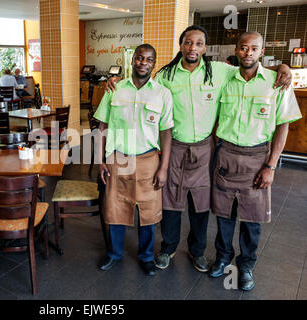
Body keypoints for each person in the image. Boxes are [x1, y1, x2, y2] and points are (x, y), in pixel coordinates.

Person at [106, 25, 292, 273]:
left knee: (201, 203)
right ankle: (168, 248)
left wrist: (284, 68)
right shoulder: (165, 76)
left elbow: (251, 68)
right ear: (181, 45)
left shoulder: (221, 72)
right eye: (188, 42)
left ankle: (197, 252)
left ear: (205, 47)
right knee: (171, 200)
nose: (192, 47)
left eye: (198, 43)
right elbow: (142, 84)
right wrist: (116, 81)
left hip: (205, 149)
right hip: (174, 147)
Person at [208, 32, 302, 291]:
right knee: (224, 215)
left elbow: (283, 126)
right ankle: (223, 258)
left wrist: (271, 166)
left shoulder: (277, 82)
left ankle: (246, 266)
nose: (248, 52)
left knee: (253, 219)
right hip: (226, 154)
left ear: (262, 52)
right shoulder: (225, 78)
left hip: (258, 157)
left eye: (254, 49)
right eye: (243, 48)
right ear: (236, 51)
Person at [94, 44, 173, 276]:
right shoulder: (114, 89)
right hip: (117, 158)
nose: (143, 63)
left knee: (147, 212)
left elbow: (166, 132)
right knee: (115, 208)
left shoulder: (162, 94)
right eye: (139, 58)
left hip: (149, 159)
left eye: (149, 60)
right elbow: (102, 126)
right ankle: (114, 253)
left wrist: (164, 167)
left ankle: (146, 256)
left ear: (153, 64)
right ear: (132, 61)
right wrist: (101, 160)